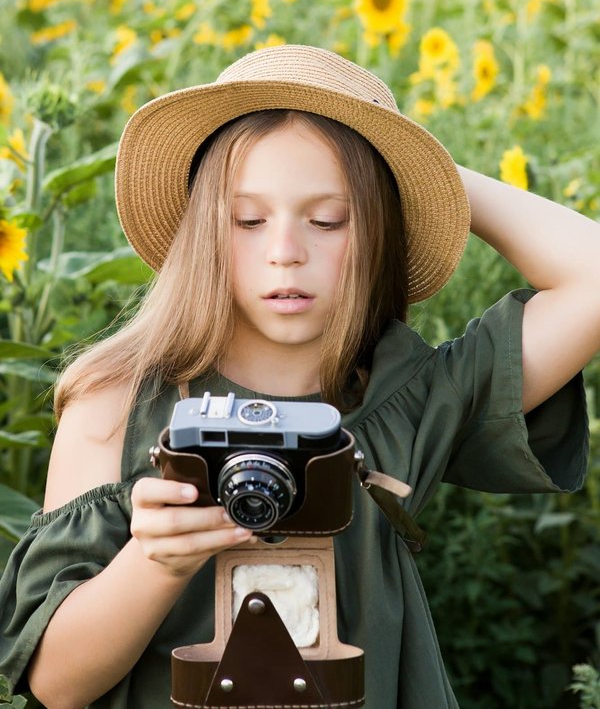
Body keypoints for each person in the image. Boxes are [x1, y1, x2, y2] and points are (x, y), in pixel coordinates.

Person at [0, 44, 598, 709]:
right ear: (202, 232)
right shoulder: (116, 407)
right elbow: (54, 684)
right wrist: (154, 562)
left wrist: (414, 169)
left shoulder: (401, 406)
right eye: (248, 219)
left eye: (328, 218)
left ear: (376, 232)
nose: (286, 252)